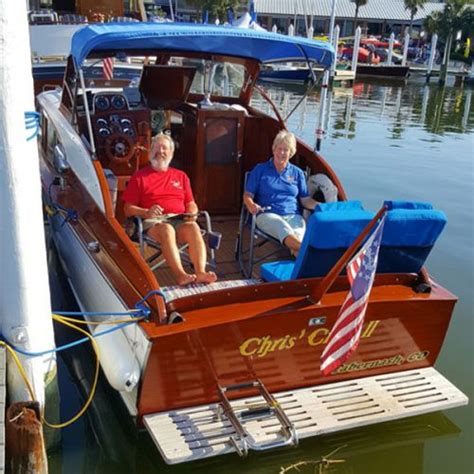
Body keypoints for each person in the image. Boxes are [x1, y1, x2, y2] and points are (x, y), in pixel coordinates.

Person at [122, 133, 217, 286]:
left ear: (171, 153)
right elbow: (127, 209)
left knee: (193, 227)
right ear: (150, 151)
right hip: (153, 221)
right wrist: (146, 212)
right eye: (156, 147)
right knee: (167, 230)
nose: (161, 151)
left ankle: (200, 272)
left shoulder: (181, 176)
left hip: (179, 219)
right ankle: (181, 275)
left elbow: (191, 202)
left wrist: (192, 212)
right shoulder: (140, 177)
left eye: (164, 148)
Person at [243, 130, 319, 256]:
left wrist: (322, 206)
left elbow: (305, 200)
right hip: (266, 214)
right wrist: (251, 205)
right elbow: (247, 195)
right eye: (279, 149)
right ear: (274, 150)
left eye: (286, 150)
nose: (282, 153)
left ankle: (299, 269)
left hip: (293, 215)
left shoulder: (297, 173)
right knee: (281, 227)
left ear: (291, 153)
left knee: (298, 234)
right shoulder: (260, 169)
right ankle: (310, 253)